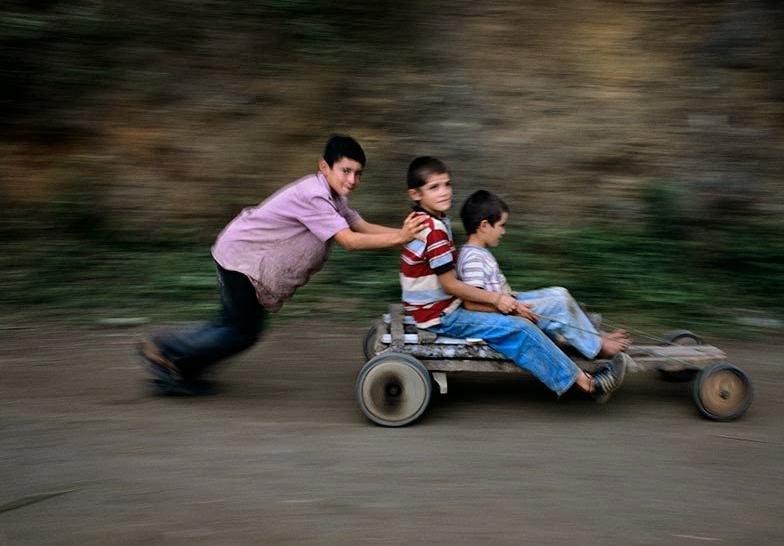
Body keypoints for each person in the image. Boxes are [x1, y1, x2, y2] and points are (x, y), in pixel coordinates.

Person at [137, 135, 429, 395]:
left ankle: (179, 371)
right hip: (243, 259)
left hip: (243, 257)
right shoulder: (314, 195)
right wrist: (400, 238)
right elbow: (350, 241)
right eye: (346, 171)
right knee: (240, 331)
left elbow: (361, 226)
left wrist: (405, 236)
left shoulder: (335, 199)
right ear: (324, 167)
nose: (352, 180)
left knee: (234, 328)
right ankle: (165, 349)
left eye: (358, 174)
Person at [399, 156, 627, 401]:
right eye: (434, 187)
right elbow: (450, 285)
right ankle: (588, 384)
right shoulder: (433, 231)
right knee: (520, 329)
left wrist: (505, 300)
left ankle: (589, 341)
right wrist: (499, 301)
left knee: (557, 295)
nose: (444, 192)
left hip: (445, 305)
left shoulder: (432, 220)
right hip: (442, 316)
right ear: (415, 194)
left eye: (447, 184)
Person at [457, 189, 630, 358]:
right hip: (501, 318)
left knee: (559, 293)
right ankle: (598, 347)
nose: (504, 231)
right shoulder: (473, 258)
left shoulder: (478, 253)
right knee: (560, 305)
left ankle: (592, 338)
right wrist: (514, 309)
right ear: (484, 226)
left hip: (508, 306)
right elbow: (471, 304)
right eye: (501, 225)